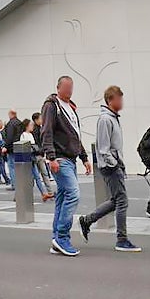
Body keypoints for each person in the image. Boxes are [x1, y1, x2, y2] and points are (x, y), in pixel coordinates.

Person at [76, 85, 139, 253]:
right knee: (122, 201)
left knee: (116, 200)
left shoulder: (112, 118)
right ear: (111, 100)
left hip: (114, 165)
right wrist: (115, 164)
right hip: (111, 167)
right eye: (120, 98)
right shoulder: (105, 119)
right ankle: (122, 239)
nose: (122, 102)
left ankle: (87, 220)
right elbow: (103, 148)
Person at [39, 75, 91, 257]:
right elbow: (46, 131)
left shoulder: (70, 108)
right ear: (58, 87)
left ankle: (56, 239)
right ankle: (62, 237)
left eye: (71, 87)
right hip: (60, 159)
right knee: (73, 193)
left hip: (70, 158)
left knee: (62, 197)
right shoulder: (52, 106)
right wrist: (51, 157)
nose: (69, 90)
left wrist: (84, 157)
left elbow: (75, 134)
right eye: (66, 87)